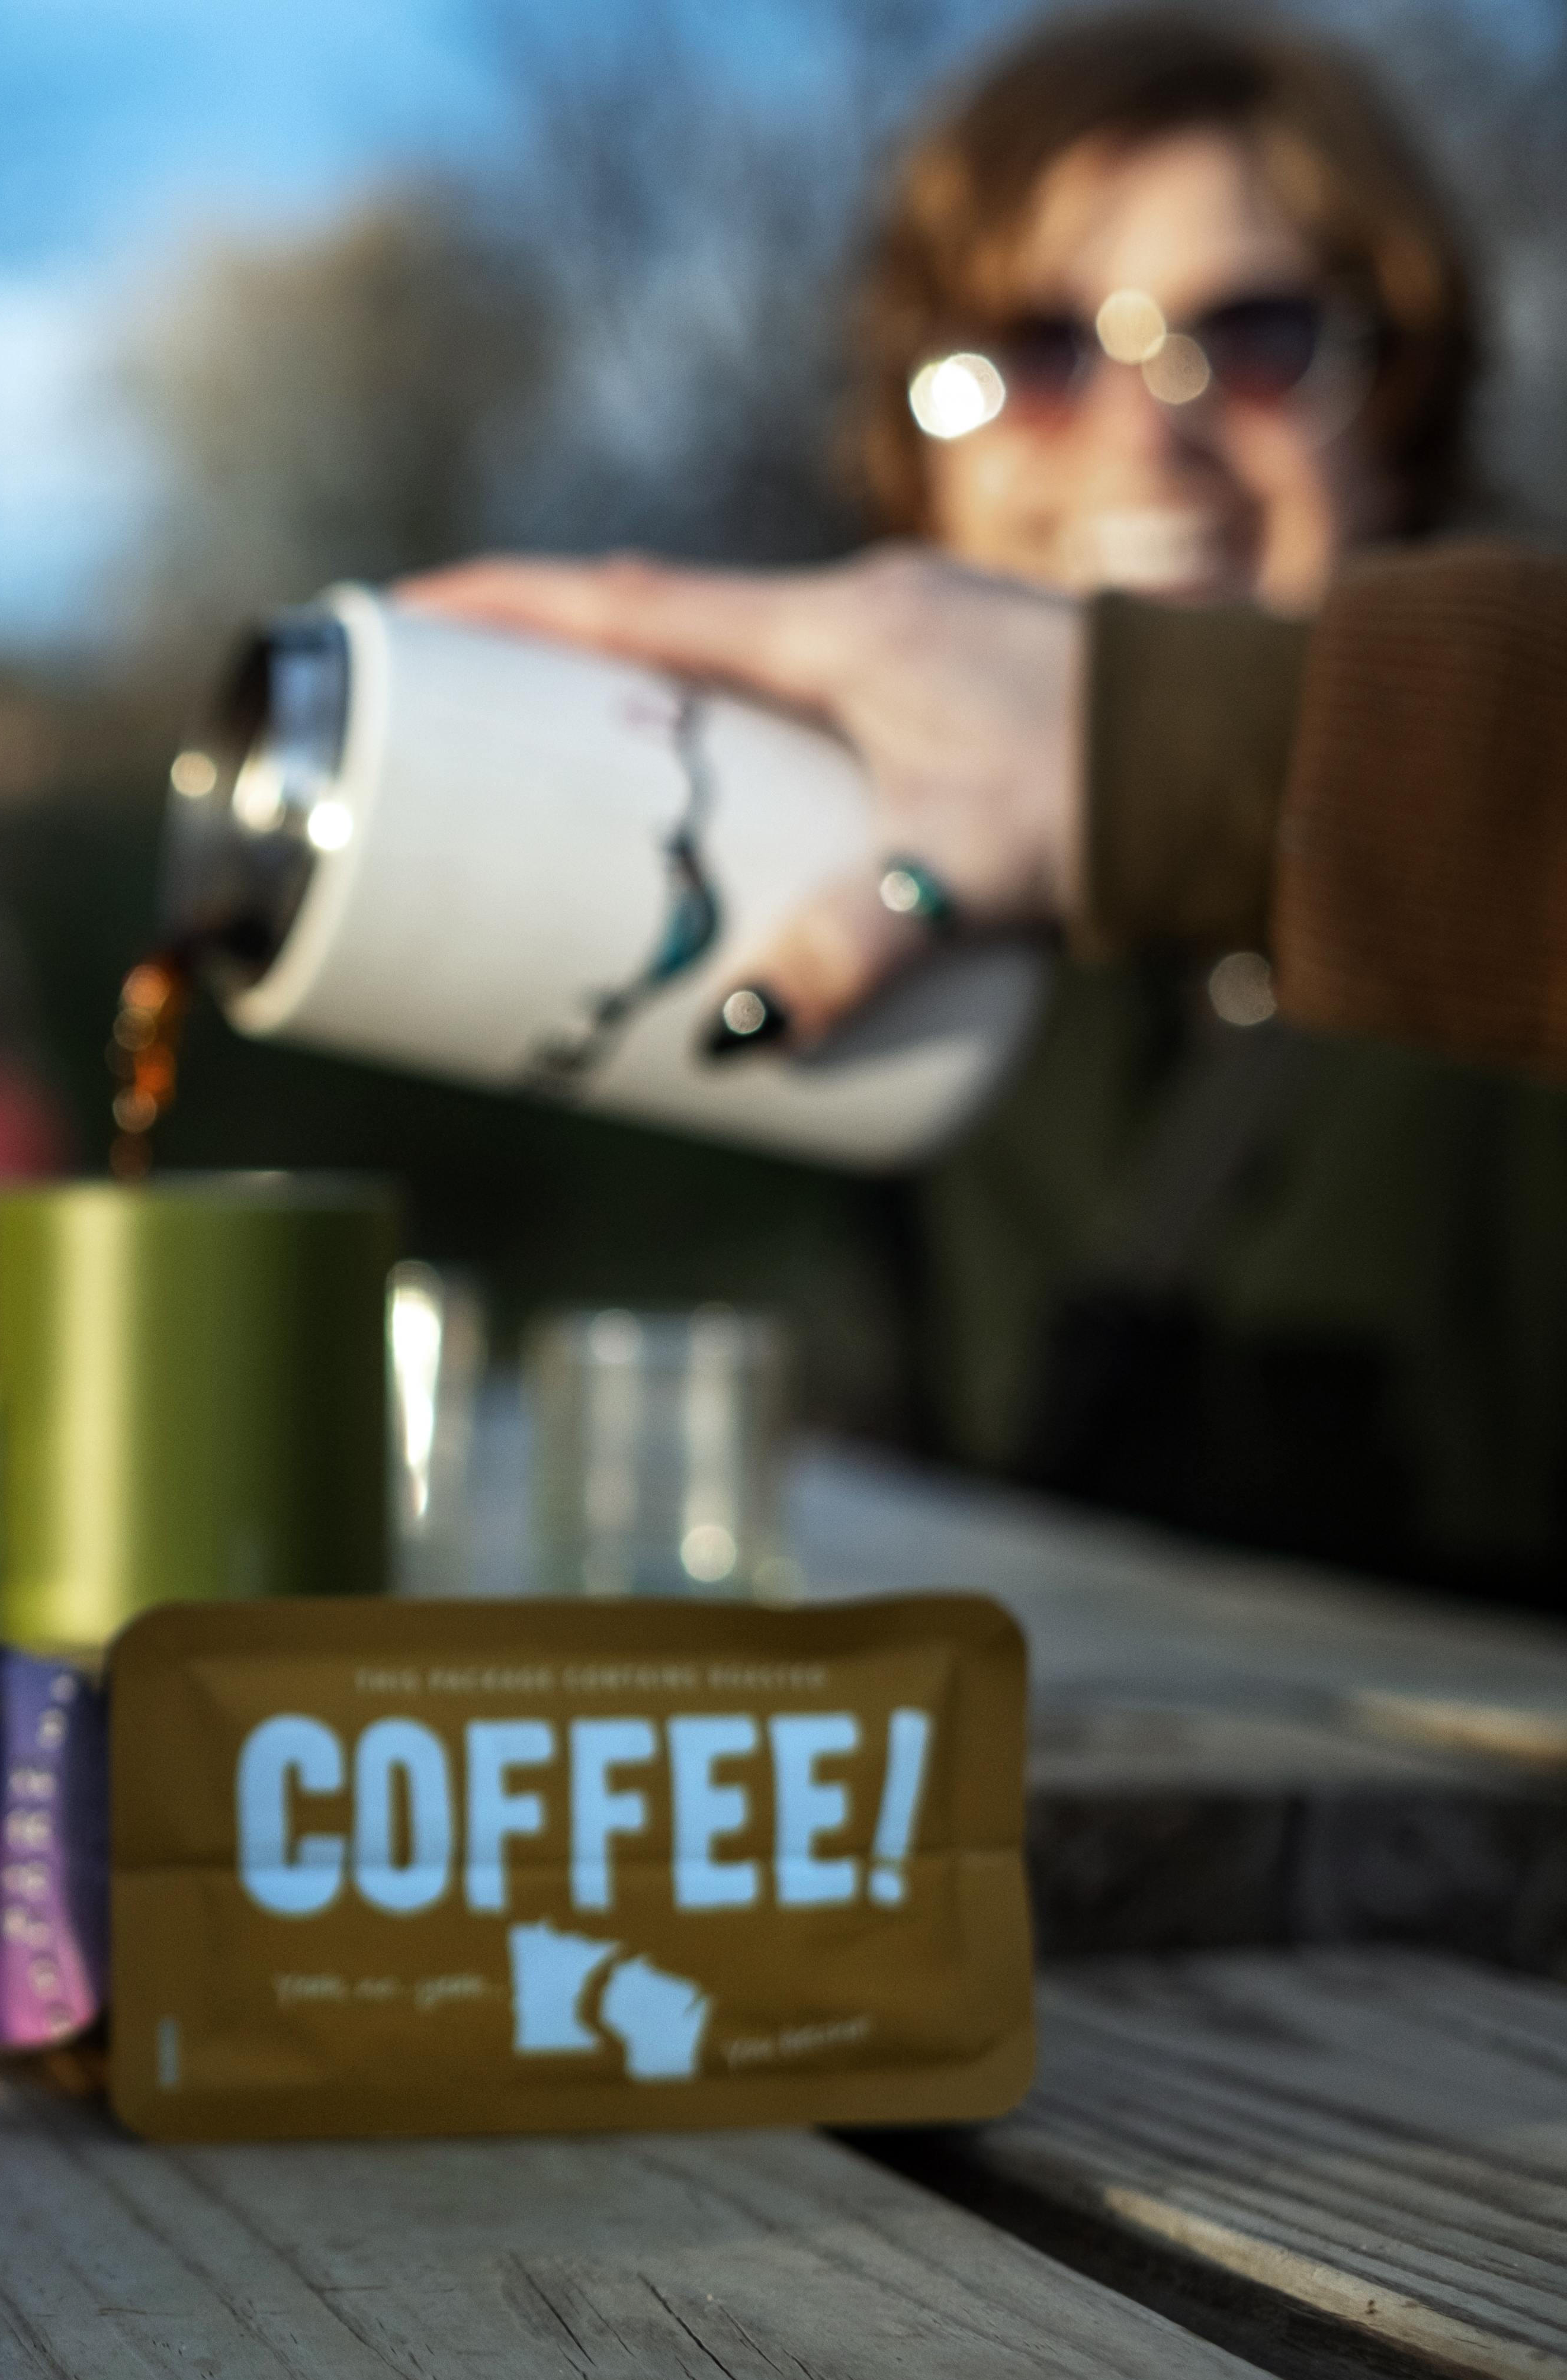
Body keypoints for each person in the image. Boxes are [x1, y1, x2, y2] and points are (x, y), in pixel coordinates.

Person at [421, 9, 1567, 1604]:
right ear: (916, 456)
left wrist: (1175, 756)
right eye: (1033, 358)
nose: (1142, 439)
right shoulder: (881, 931)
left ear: (1403, 400)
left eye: (1253, 339)